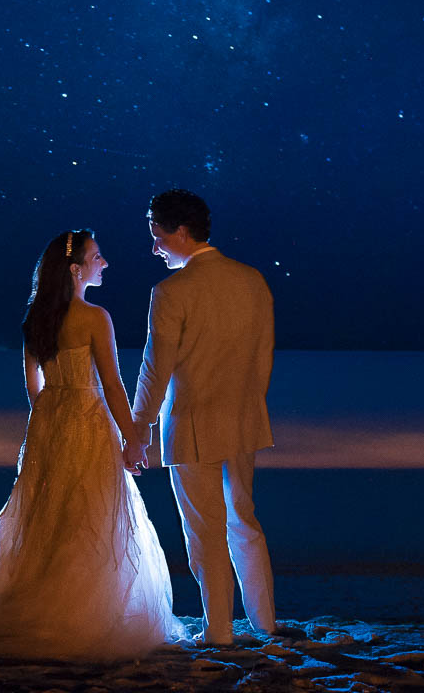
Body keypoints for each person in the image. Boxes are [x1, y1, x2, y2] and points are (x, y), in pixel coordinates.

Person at [0, 229, 185, 660]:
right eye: (98, 257)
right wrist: (133, 438)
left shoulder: (36, 318)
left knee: (49, 514)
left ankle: (35, 601)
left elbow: (34, 387)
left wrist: (51, 417)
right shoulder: (94, 317)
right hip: (88, 420)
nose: (104, 263)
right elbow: (112, 384)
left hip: (49, 422)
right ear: (76, 269)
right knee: (89, 512)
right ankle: (82, 613)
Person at [131, 189, 277, 647]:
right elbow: (263, 357)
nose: (154, 248)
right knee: (245, 520)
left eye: (157, 236)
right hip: (245, 419)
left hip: (193, 423)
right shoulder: (252, 279)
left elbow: (157, 367)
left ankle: (218, 630)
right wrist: (251, 403)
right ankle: (265, 622)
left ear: (181, 231)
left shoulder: (172, 291)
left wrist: (139, 427)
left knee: (205, 531)